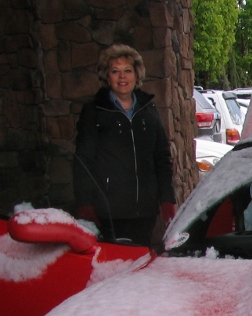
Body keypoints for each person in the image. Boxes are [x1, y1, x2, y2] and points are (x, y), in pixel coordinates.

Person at [73, 45, 177, 246]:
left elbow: (162, 158)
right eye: (115, 71)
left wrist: (167, 200)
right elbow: (83, 161)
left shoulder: (149, 110)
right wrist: (85, 204)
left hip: (144, 212)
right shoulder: (94, 111)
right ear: (107, 76)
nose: (122, 77)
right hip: (109, 213)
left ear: (137, 75)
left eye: (127, 70)